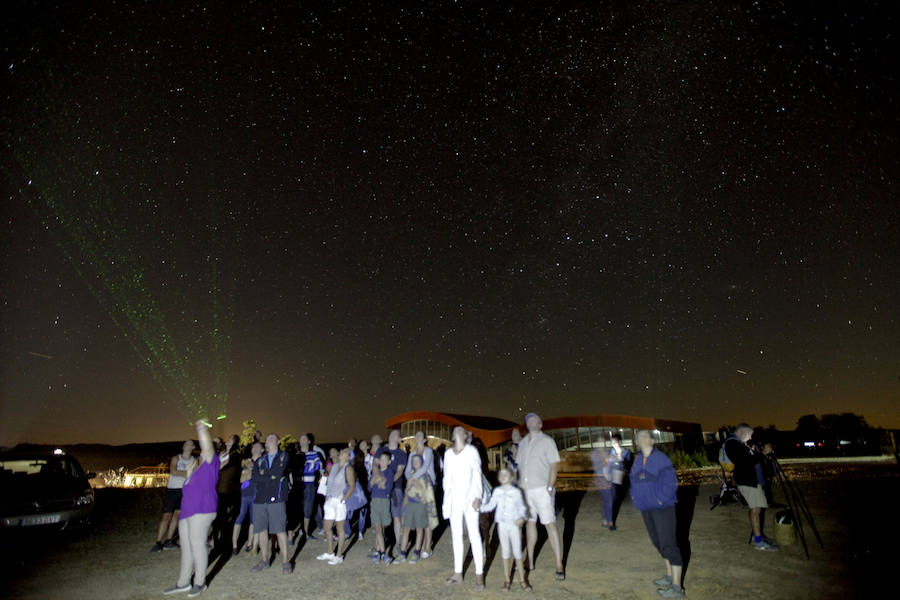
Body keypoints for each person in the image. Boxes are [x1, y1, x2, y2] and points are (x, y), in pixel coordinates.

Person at [163, 421, 218, 597]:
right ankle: (183, 583)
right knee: (186, 549)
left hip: (202, 510)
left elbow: (208, 449)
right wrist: (188, 474)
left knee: (197, 545)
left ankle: (200, 582)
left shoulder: (211, 464)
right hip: (187, 512)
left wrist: (201, 428)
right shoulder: (195, 469)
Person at [630, 429, 685, 598]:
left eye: (646, 436)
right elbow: (633, 481)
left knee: (668, 544)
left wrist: (660, 500)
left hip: (663, 508)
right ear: (637, 443)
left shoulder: (661, 459)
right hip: (646, 508)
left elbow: (671, 483)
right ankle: (669, 576)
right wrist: (636, 499)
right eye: (639, 437)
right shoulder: (638, 460)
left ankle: (677, 588)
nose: (642, 438)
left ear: (652, 441)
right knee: (658, 543)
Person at [516, 412, 565, 580]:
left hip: (542, 489)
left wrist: (550, 487)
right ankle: (529, 561)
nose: (531, 421)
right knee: (530, 524)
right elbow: (520, 468)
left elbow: (554, 465)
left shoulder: (547, 441)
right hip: (526, 490)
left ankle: (559, 563)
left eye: (535, 419)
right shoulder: (522, 443)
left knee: (550, 525)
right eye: (528, 419)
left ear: (540, 425)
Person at [723, 424, 778, 551]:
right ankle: (758, 541)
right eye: (750, 434)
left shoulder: (740, 443)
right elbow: (745, 461)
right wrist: (764, 452)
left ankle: (758, 535)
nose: (751, 437)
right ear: (742, 432)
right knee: (756, 510)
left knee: (757, 509)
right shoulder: (732, 443)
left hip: (752, 480)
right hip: (747, 481)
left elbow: (750, 458)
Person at [442, 426, 484, 588]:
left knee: (474, 535)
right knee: (456, 535)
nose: (460, 432)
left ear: (466, 436)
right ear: (453, 435)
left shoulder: (471, 451)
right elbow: (447, 477)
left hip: (470, 498)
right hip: (454, 500)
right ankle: (458, 572)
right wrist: (447, 498)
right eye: (457, 430)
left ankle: (479, 575)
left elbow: (476, 473)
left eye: (462, 431)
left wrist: (477, 496)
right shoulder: (448, 454)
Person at [477, 467, 531, 591]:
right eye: (501, 474)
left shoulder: (516, 492)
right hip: (502, 525)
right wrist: (479, 507)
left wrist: (523, 517)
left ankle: (523, 580)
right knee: (505, 551)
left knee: (517, 552)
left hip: (514, 525)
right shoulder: (497, 491)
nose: (503, 476)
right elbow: (491, 505)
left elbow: (523, 507)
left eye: (506, 474)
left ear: (512, 477)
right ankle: (507, 580)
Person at [250, 433, 293, 574]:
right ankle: (264, 560)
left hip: (277, 499)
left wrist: (266, 475)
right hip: (260, 500)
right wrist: (270, 476)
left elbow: (279, 473)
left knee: (280, 530)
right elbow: (255, 477)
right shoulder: (260, 461)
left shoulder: (283, 456)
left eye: (273, 438)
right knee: (262, 530)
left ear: (278, 441)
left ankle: (286, 562)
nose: (269, 440)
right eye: (267, 439)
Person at [152, 439, 195, 553]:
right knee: (167, 515)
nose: (188, 445)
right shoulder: (176, 458)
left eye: (190, 444)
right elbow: (173, 471)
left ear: (193, 447)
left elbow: (194, 474)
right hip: (173, 490)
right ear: (183, 447)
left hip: (186, 490)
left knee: (177, 516)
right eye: (186, 444)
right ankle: (158, 542)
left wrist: (187, 474)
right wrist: (187, 474)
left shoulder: (194, 460)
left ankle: (169, 540)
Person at [316, 447, 356, 565]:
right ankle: (330, 552)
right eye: (341, 451)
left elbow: (352, 486)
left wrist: (343, 500)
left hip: (339, 501)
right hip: (329, 500)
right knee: (327, 526)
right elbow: (327, 480)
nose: (341, 453)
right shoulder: (333, 466)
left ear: (348, 457)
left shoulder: (348, 468)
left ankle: (339, 555)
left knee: (340, 528)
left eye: (344, 452)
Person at [396, 454, 438, 563]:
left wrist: (413, 482)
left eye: (417, 461)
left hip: (420, 505)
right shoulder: (411, 475)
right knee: (406, 528)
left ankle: (416, 552)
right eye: (413, 461)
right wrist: (410, 484)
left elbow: (424, 490)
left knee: (420, 529)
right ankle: (402, 553)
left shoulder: (425, 475)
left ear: (422, 463)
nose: (415, 463)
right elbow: (406, 491)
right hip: (410, 504)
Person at [405, 430, 436, 557]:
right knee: (420, 515)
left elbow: (425, 467)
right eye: (416, 435)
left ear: (424, 439)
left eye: (420, 436)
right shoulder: (412, 453)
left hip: (427, 485)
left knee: (428, 515)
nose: (418, 438)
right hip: (415, 487)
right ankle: (420, 543)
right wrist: (410, 480)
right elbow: (407, 470)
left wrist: (412, 479)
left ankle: (427, 546)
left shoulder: (428, 451)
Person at [233, 442, 263, 555]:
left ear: (262, 449)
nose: (255, 448)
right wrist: (257, 473)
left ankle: (250, 544)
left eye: (258, 446)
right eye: (254, 447)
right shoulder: (246, 461)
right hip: (245, 494)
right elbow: (243, 478)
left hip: (257, 495)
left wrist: (254, 474)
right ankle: (234, 546)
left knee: (253, 520)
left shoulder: (264, 461)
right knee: (239, 518)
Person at [214, 434, 241, 554]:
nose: (227, 440)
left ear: (234, 442)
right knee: (218, 516)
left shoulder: (235, 454)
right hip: (217, 486)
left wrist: (217, 469)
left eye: (230, 439)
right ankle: (215, 541)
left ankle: (224, 543)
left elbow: (229, 469)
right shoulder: (222, 453)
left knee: (224, 516)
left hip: (226, 489)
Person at [293, 433, 323, 540]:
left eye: (304, 438)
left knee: (308, 508)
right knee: (298, 508)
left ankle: (305, 532)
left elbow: (318, 465)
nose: (301, 440)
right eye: (300, 438)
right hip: (298, 485)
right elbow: (294, 469)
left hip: (310, 485)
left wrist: (306, 466)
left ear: (309, 442)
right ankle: (298, 530)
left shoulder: (314, 453)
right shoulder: (296, 455)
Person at [380, 430, 407, 547]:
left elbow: (400, 471)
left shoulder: (401, 454)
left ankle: (398, 543)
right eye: (391, 434)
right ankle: (380, 544)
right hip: (381, 488)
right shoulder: (382, 451)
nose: (392, 435)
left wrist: (389, 483)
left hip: (395, 488)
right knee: (381, 517)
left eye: (395, 434)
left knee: (396, 516)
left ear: (399, 439)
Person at [368, 451, 395, 564]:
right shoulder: (375, 473)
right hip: (375, 501)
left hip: (384, 501)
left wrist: (379, 481)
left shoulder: (389, 472)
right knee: (378, 528)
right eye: (381, 459)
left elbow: (387, 487)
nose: (383, 462)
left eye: (385, 460)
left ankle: (377, 553)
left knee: (382, 529)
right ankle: (383, 554)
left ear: (389, 462)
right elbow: (369, 488)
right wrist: (376, 481)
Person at [606, 433, 632, 529]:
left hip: (623, 478)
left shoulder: (626, 452)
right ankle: (611, 522)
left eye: (616, 442)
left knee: (618, 499)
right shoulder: (611, 452)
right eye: (613, 442)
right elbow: (607, 465)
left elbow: (629, 466)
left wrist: (623, 463)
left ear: (620, 442)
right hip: (614, 477)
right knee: (615, 500)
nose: (614, 444)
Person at [590, 442, 616, 530]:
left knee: (607, 500)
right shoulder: (595, 455)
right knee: (609, 501)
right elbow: (598, 467)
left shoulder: (609, 452)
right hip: (601, 480)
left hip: (609, 480)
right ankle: (610, 521)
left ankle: (605, 520)